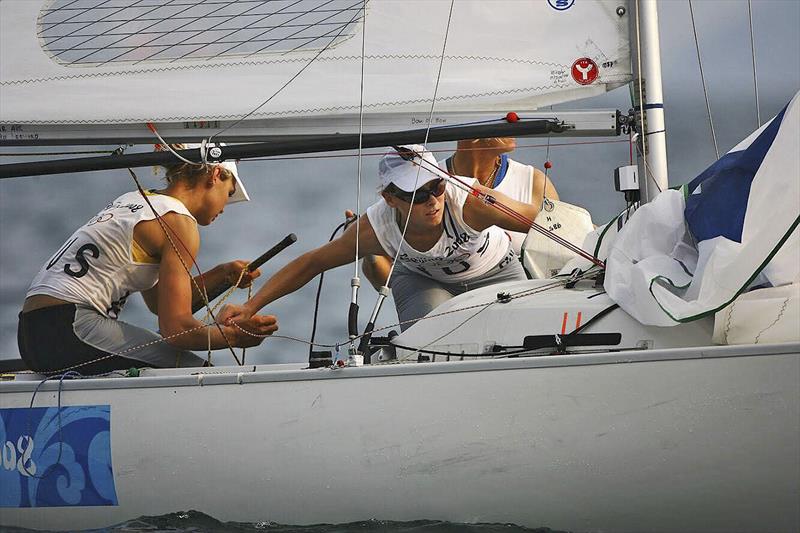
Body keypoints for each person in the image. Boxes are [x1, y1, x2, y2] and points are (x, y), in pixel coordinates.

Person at [218, 144, 543, 332]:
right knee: (428, 339)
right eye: (417, 194)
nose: (432, 200)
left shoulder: (470, 200)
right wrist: (251, 306)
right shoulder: (377, 227)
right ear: (391, 199)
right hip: (421, 281)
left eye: (437, 187)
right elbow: (312, 263)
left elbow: (545, 222)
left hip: (495, 271)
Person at [17, 144, 278, 374]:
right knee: (199, 373)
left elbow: (157, 303)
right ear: (216, 175)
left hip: (31, 333)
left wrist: (223, 275)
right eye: (229, 192)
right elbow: (176, 329)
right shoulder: (180, 222)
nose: (225, 206)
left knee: (164, 360)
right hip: (71, 328)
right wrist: (235, 336)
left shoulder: (138, 200)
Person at [360, 137, 559, 289]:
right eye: (504, 116)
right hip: (450, 311)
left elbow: (564, 241)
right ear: (472, 134)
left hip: (523, 298)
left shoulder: (534, 182)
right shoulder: (423, 181)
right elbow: (388, 284)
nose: (517, 123)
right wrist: (368, 249)